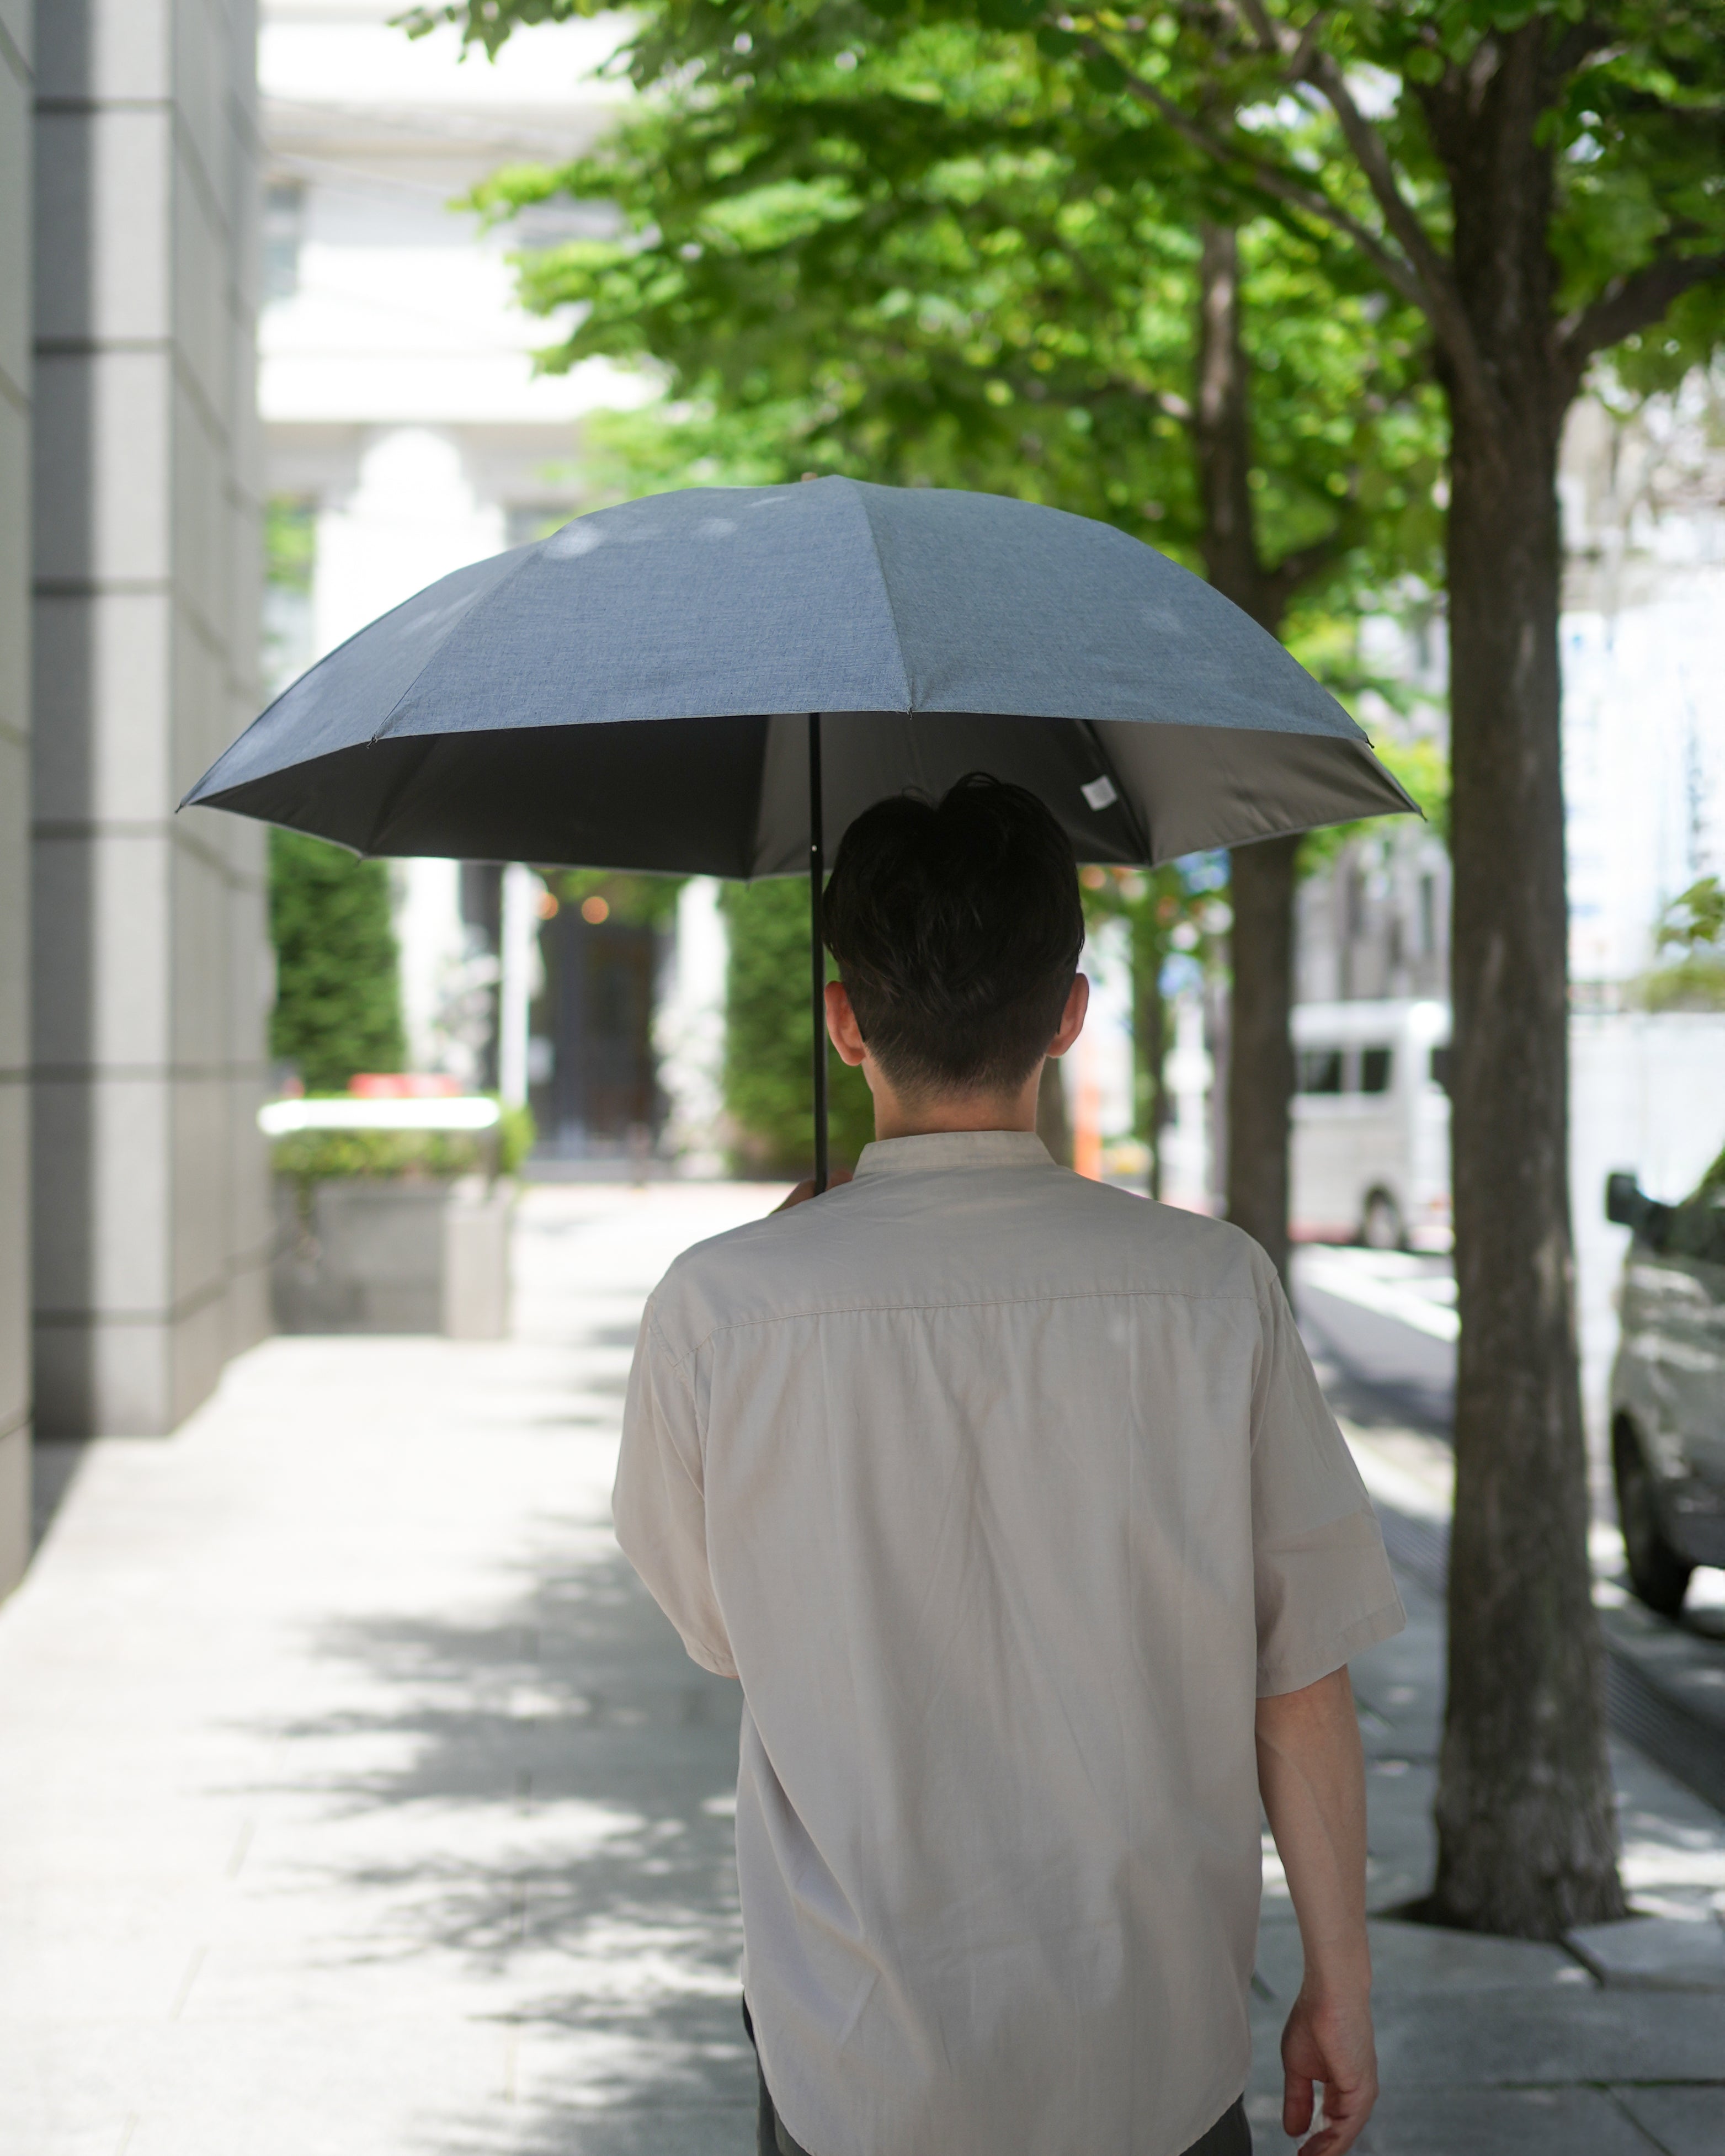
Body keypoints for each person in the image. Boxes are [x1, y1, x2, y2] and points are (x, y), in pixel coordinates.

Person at [615, 774, 1405, 2156]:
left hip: (857, 2054)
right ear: (1068, 1015)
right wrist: (1339, 1981)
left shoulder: (718, 1309)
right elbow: (1301, 1679)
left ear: (844, 1018)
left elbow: (728, 1628)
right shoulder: (1215, 1290)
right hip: (1150, 2050)